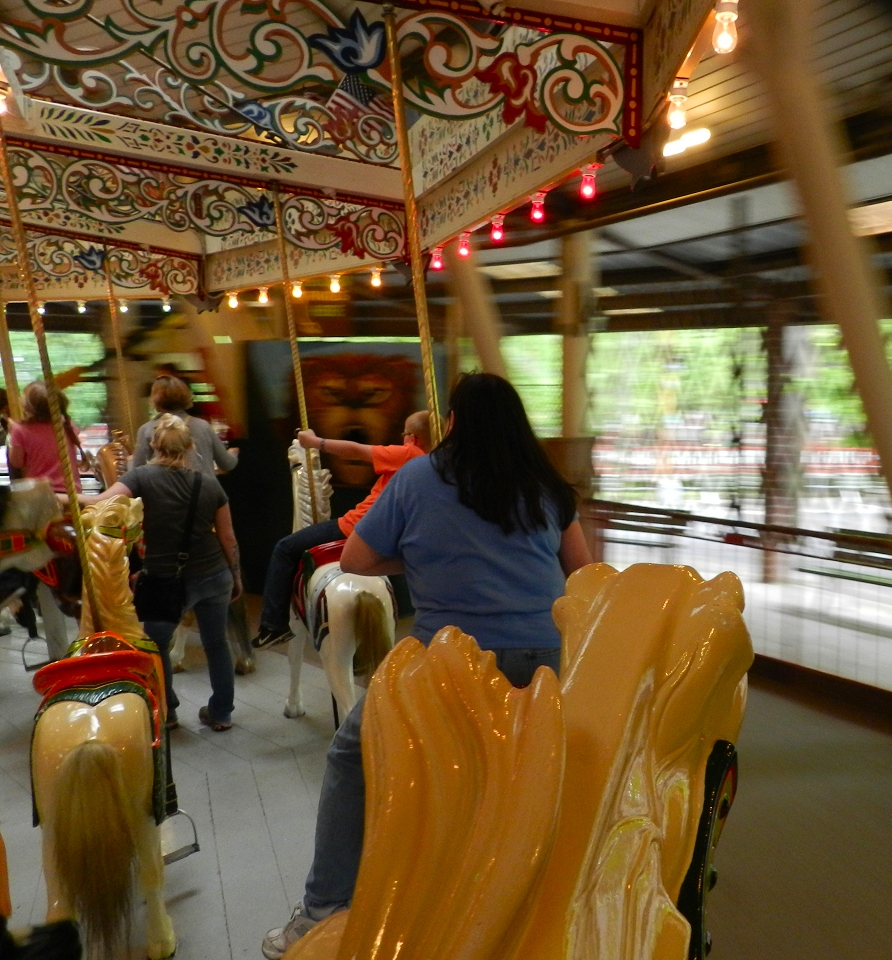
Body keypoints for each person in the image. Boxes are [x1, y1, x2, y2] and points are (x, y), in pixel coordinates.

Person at [261, 373, 592, 958]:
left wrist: (419, 557)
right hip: (544, 660)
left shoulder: (420, 474)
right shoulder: (544, 484)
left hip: (455, 658)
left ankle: (321, 910)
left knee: (348, 757)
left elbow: (358, 558)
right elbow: (582, 577)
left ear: (456, 422)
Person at [80, 414, 243, 731]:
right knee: (216, 644)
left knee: (156, 647)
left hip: (164, 578)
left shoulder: (140, 477)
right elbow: (228, 537)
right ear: (191, 445)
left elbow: (100, 502)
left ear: (152, 444)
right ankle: (221, 712)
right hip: (213, 572)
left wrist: (59, 497)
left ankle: (167, 710)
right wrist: (234, 576)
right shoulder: (210, 484)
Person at [249, 410, 434, 649]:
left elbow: (357, 450)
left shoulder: (410, 454)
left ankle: (273, 626)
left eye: (405, 433)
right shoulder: (433, 463)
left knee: (285, 548)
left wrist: (316, 442)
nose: (402, 438)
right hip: (390, 539)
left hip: (355, 527)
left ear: (413, 438)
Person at [133, 375, 239, 479]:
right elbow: (227, 464)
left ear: (155, 400)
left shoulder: (146, 430)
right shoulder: (203, 426)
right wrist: (233, 454)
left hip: (167, 493)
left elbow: (136, 470)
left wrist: (128, 461)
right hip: (204, 492)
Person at [7, 382, 84, 493]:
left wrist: (12, 436)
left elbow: (17, 462)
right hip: (72, 492)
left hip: (40, 494)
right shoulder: (67, 425)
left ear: (28, 407)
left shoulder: (20, 430)